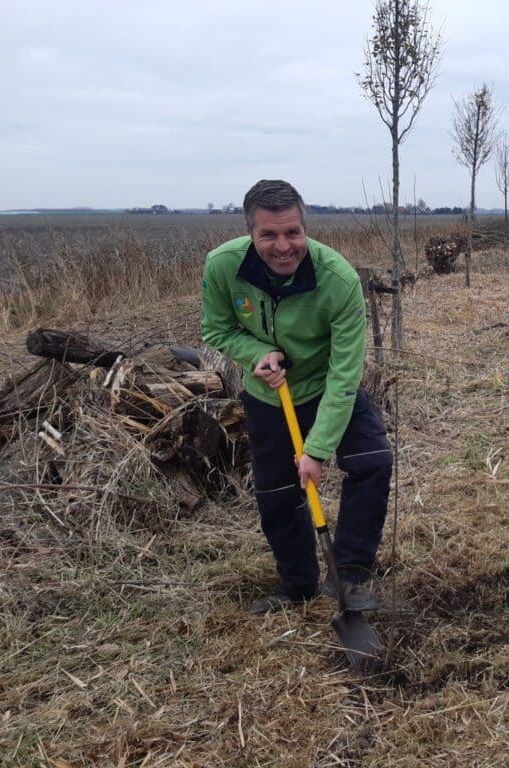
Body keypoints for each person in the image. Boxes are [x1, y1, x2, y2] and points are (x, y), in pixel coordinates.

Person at [201, 179, 392, 614]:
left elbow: (346, 373)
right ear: (250, 232)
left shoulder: (338, 278)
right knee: (277, 495)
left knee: (372, 460)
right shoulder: (222, 266)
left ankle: (350, 574)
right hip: (270, 397)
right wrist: (256, 354)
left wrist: (317, 451)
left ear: (306, 228)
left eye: (293, 232)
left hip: (329, 387)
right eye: (268, 234)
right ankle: (298, 584)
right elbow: (216, 329)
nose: (283, 246)